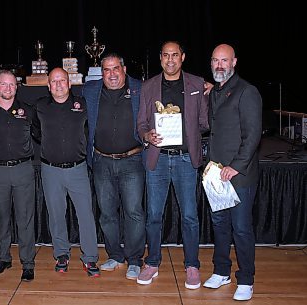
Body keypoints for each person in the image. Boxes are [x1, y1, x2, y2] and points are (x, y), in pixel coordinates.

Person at [136, 41, 209, 289]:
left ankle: (192, 265)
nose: (170, 59)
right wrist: (148, 136)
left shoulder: (197, 84)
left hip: (186, 160)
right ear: (160, 58)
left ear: (183, 57)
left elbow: (204, 122)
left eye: (175, 55)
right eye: (166, 55)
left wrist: (187, 135)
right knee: (154, 215)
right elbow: (141, 125)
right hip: (158, 158)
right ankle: (153, 262)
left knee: (189, 216)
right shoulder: (148, 87)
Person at [202, 44, 262, 301]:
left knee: (241, 228)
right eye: (215, 60)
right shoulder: (214, 92)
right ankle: (221, 271)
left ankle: (246, 279)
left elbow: (252, 136)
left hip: (239, 175)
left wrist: (235, 166)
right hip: (216, 175)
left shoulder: (247, 92)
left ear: (234, 62)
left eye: (224, 60)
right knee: (220, 225)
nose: (219, 65)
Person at [82, 52, 146, 280]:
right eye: (106, 70)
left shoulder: (140, 88)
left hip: (132, 160)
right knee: (107, 214)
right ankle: (115, 255)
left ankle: (135, 260)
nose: (111, 74)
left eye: (115, 68)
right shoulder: (90, 90)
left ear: (124, 69)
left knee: (134, 212)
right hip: (101, 161)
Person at [33, 68, 100, 277]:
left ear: (69, 83)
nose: (59, 85)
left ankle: (90, 258)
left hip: (78, 169)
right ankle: (61, 254)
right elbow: (35, 131)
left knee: (86, 215)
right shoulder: (40, 106)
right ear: (48, 85)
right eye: (54, 81)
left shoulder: (83, 104)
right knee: (56, 214)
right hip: (50, 170)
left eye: (62, 80)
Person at [0, 70, 36, 282]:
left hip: (23, 169)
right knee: (1, 217)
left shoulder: (28, 111)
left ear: (16, 87)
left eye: (11, 84)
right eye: (3, 84)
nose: (7, 88)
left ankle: (28, 262)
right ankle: (3, 258)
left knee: (25, 219)